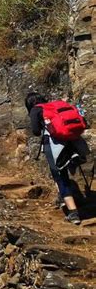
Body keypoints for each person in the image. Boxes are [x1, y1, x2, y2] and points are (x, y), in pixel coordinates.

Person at [25, 92, 88, 225]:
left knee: (60, 176)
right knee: (65, 172)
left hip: (55, 144)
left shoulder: (36, 110)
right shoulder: (56, 105)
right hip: (74, 142)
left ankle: (73, 213)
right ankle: (66, 198)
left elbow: (36, 131)